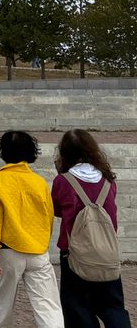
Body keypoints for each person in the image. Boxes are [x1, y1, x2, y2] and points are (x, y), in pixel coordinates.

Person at [0, 130, 63, 327]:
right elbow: (48, 216)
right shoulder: (39, 182)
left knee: (3, 306)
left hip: (8, 250)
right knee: (48, 306)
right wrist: (43, 242)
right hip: (37, 249)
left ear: (3, 151)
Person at [51, 128, 130, 327]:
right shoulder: (107, 180)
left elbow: (57, 210)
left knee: (77, 307)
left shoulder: (63, 181)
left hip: (74, 252)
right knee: (113, 306)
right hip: (106, 250)